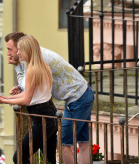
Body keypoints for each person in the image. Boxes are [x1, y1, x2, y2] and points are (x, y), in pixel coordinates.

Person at [5, 32, 94, 164]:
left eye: (11, 49)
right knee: (83, 142)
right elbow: (28, 83)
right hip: (82, 93)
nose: (9, 53)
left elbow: (28, 88)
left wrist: (18, 70)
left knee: (64, 144)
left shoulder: (38, 59)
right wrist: (21, 85)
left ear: (21, 46)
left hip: (77, 98)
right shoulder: (34, 56)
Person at [0, 35, 57, 164]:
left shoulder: (32, 70)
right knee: (49, 159)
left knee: (19, 157)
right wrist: (9, 97)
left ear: (28, 50)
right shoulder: (43, 66)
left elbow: (26, 100)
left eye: (20, 49)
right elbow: (31, 94)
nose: (18, 52)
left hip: (41, 118)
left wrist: (5, 101)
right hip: (50, 114)